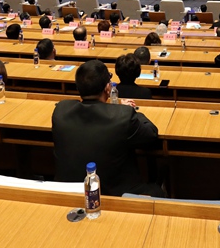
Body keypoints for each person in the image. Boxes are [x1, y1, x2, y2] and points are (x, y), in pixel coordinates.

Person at [52, 59, 162, 196]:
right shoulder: (124, 115)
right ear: (107, 88)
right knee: (157, 191)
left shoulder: (61, 110)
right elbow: (151, 133)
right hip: (115, 193)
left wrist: (117, 109)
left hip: (69, 190)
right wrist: (132, 111)